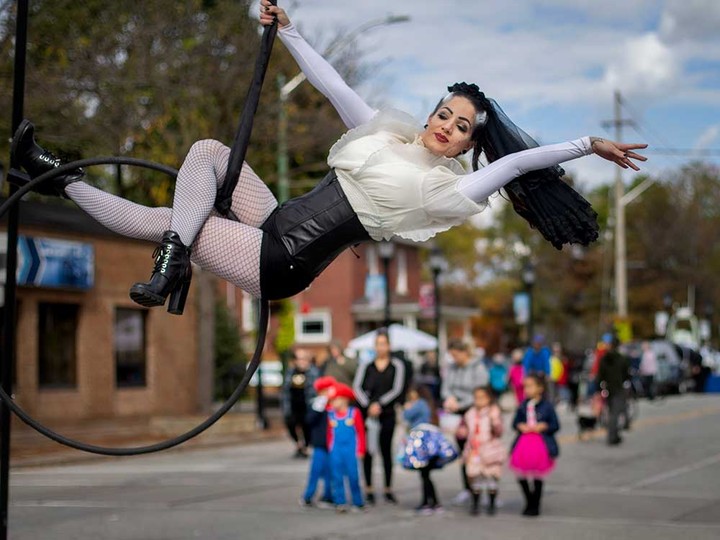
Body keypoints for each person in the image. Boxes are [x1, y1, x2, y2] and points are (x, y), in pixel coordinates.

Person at [9, 0, 648, 316]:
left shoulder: (450, 192)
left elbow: (514, 165)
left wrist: (588, 144)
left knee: (169, 222)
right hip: (275, 220)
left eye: (462, 127)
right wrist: (288, 30)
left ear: (471, 141)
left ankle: (69, 187)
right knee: (204, 155)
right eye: (445, 114)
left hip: (280, 261)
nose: (448, 128)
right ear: (431, 115)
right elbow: (332, 84)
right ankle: (59, 183)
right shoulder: (384, 136)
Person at [352, 328, 405, 504]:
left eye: (384, 344)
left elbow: (397, 388)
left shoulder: (396, 365)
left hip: (387, 413)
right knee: (368, 451)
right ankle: (368, 488)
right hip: (368, 414)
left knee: (385, 450)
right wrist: (368, 405)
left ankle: (388, 488)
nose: (380, 347)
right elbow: (357, 387)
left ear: (389, 346)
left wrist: (380, 404)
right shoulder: (366, 365)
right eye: (378, 344)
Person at [440, 338, 489, 506]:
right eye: (451, 356)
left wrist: (461, 403)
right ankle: (467, 488)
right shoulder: (452, 368)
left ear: (465, 352)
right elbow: (446, 387)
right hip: (457, 415)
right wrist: (450, 399)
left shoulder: (478, 368)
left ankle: (482, 487)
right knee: (464, 452)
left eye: (456, 355)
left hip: (474, 413)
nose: (454, 359)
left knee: (478, 451)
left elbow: (480, 393)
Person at [400, 384, 458, 515]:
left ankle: (428, 503)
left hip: (422, 442)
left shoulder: (419, 403)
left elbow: (406, 415)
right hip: (431, 442)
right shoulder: (429, 404)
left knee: (424, 474)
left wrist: (406, 408)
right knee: (426, 475)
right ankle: (433, 502)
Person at [509, 374, 560, 517]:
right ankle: (528, 500)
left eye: (530, 386)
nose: (527, 390)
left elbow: (555, 425)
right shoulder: (523, 406)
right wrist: (521, 426)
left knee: (537, 475)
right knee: (521, 474)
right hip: (524, 442)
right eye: (525, 386)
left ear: (540, 388)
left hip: (540, 443)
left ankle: (535, 503)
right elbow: (515, 423)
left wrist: (544, 426)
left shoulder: (547, 406)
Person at [459, 386, 506, 516]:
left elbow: (499, 432)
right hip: (474, 450)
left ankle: (491, 503)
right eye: (476, 398)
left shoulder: (493, 412)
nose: (479, 400)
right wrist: (461, 432)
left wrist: (495, 422)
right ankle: (475, 504)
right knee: (475, 478)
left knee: (491, 478)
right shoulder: (470, 413)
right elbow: (464, 429)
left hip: (490, 450)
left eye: (482, 397)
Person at [326, 383, 366, 513]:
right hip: (336, 450)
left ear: (344, 399)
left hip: (350, 450)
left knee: (353, 476)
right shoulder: (330, 415)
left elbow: (360, 432)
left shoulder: (354, 413)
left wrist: (361, 449)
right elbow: (329, 433)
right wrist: (330, 448)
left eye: (334, 399)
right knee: (337, 476)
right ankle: (340, 501)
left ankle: (358, 501)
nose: (332, 403)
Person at [300, 376, 336, 508]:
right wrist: (317, 409)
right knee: (315, 471)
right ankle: (308, 496)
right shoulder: (316, 404)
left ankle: (329, 496)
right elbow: (309, 421)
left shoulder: (334, 405)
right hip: (320, 444)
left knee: (330, 472)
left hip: (332, 445)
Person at [281, 348, 318, 458]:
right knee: (291, 424)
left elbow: (316, 390)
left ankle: (305, 447)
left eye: (304, 358)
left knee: (307, 426)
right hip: (293, 405)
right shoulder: (290, 372)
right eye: (298, 358)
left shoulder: (313, 372)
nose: (301, 361)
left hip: (307, 405)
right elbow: (285, 390)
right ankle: (299, 444)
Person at [597, 337, 631, 445]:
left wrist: (601, 387)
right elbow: (626, 374)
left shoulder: (604, 359)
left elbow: (600, 376)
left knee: (612, 412)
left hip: (608, 389)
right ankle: (612, 436)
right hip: (617, 388)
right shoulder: (621, 359)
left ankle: (614, 434)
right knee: (615, 414)